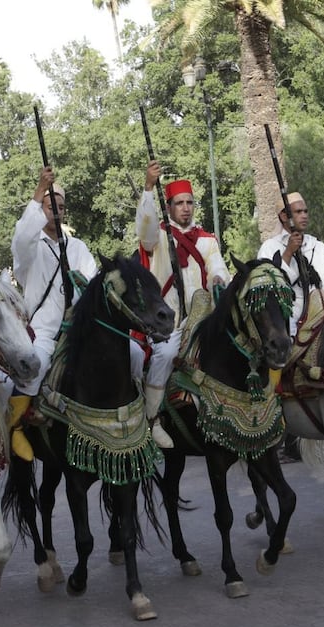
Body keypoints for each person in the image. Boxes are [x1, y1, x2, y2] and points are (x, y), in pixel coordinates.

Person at [137, 161, 231, 448]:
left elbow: (218, 268)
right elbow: (145, 230)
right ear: (170, 206)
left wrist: (218, 279)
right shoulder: (160, 237)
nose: (186, 208)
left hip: (205, 318)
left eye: (190, 202)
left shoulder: (207, 239)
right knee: (164, 355)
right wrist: (149, 188)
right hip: (172, 321)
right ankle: (152, 419)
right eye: (180, 203)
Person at [11, 166, 98, 460]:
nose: (57, 212)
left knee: (132, 355)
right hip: (45, 326)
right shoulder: (29, 248)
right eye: (50, 207)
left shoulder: (78, 247)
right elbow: (21, 236)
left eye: (60, 207)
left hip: (79, 326)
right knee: (35, 363)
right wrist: (39, 189)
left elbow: (92, 283)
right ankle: (19, 426)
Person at [257, 190, 324, 335]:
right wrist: (288, 252)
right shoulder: (270, 247)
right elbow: (268, 287)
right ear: (283, 216)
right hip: (286, 322)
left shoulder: (317, 247)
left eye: (305, 211)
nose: (304, 216)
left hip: (320, 317)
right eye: (298, 212)